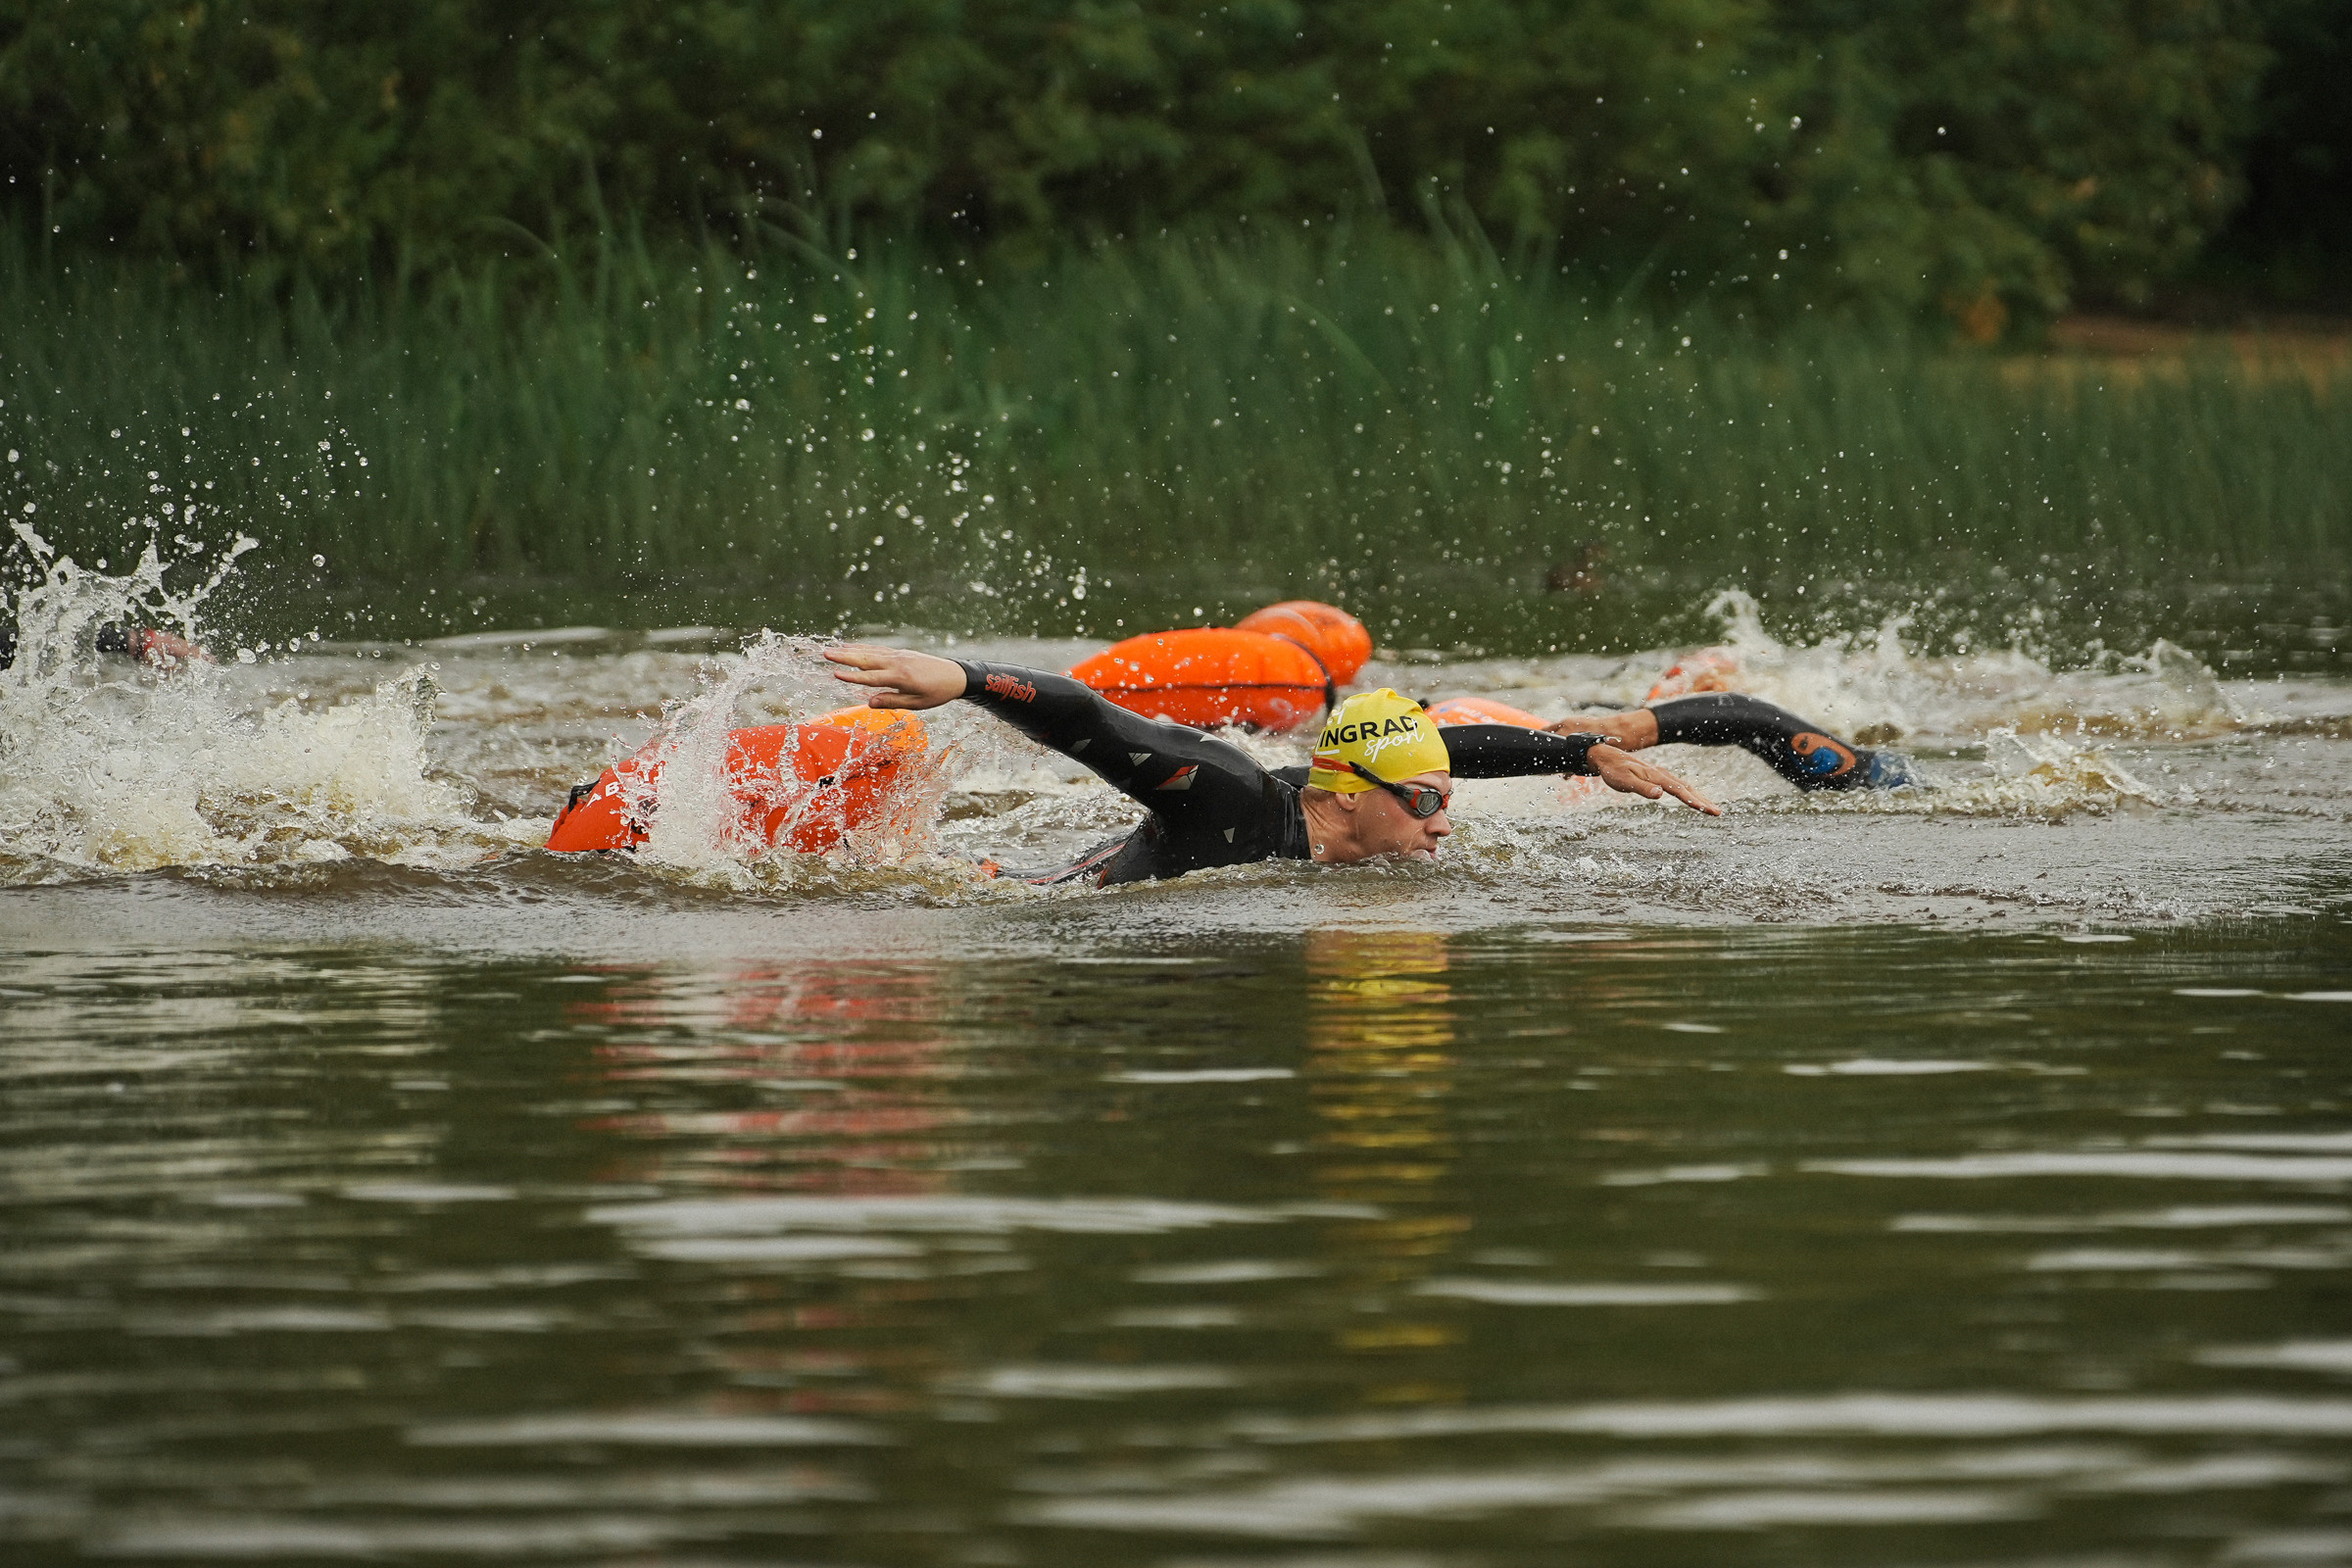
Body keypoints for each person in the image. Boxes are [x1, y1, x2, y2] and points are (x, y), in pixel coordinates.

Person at [826, 645, 1900, 888]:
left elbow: (1447, 752)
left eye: (1443, 800)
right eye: (1428, 804)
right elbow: (1097, 720)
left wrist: (1581, 750)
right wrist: (961, 678)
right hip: (1020, 900)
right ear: (1350, 795)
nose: (1445, 821)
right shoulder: (1231, 801)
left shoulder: (1356, 792)